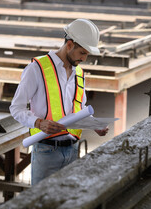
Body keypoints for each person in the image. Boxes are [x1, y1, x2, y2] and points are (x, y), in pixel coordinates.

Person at [10, 19, 109, 186]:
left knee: (67, 201)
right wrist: (39, 123)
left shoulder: (79, 73)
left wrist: (94, 125)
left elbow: (79, 108)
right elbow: (16, 108)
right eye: (82, 53)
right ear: (69, 45)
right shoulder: (37, 69)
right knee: (41, 202)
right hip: (46, 150)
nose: (84, 58)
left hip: (73, 150)